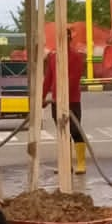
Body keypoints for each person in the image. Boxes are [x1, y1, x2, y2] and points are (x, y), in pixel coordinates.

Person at [43, 30, 88, 174]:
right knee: (63, 133)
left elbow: (74, 79)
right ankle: (66, 165)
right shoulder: (52, 57)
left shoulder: (76, 57)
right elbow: (48, 79)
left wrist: (64, 96)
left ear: (69, 39)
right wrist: (42, 97)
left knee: (75, 131)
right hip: (56, 101)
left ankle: (81, 163)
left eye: (65, 38)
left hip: (72, 100)